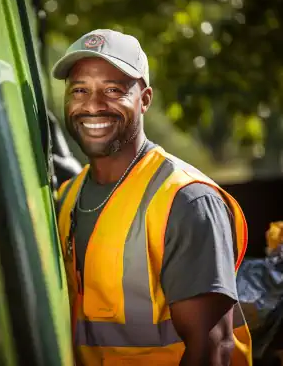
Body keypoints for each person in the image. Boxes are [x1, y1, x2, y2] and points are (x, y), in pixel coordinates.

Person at [52, 29, 252, 366]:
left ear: (144, 99)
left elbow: (213, 349)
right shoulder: (67, 197)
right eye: (80, 90)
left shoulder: (186, 200)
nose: (93, 105)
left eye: (113, 90)